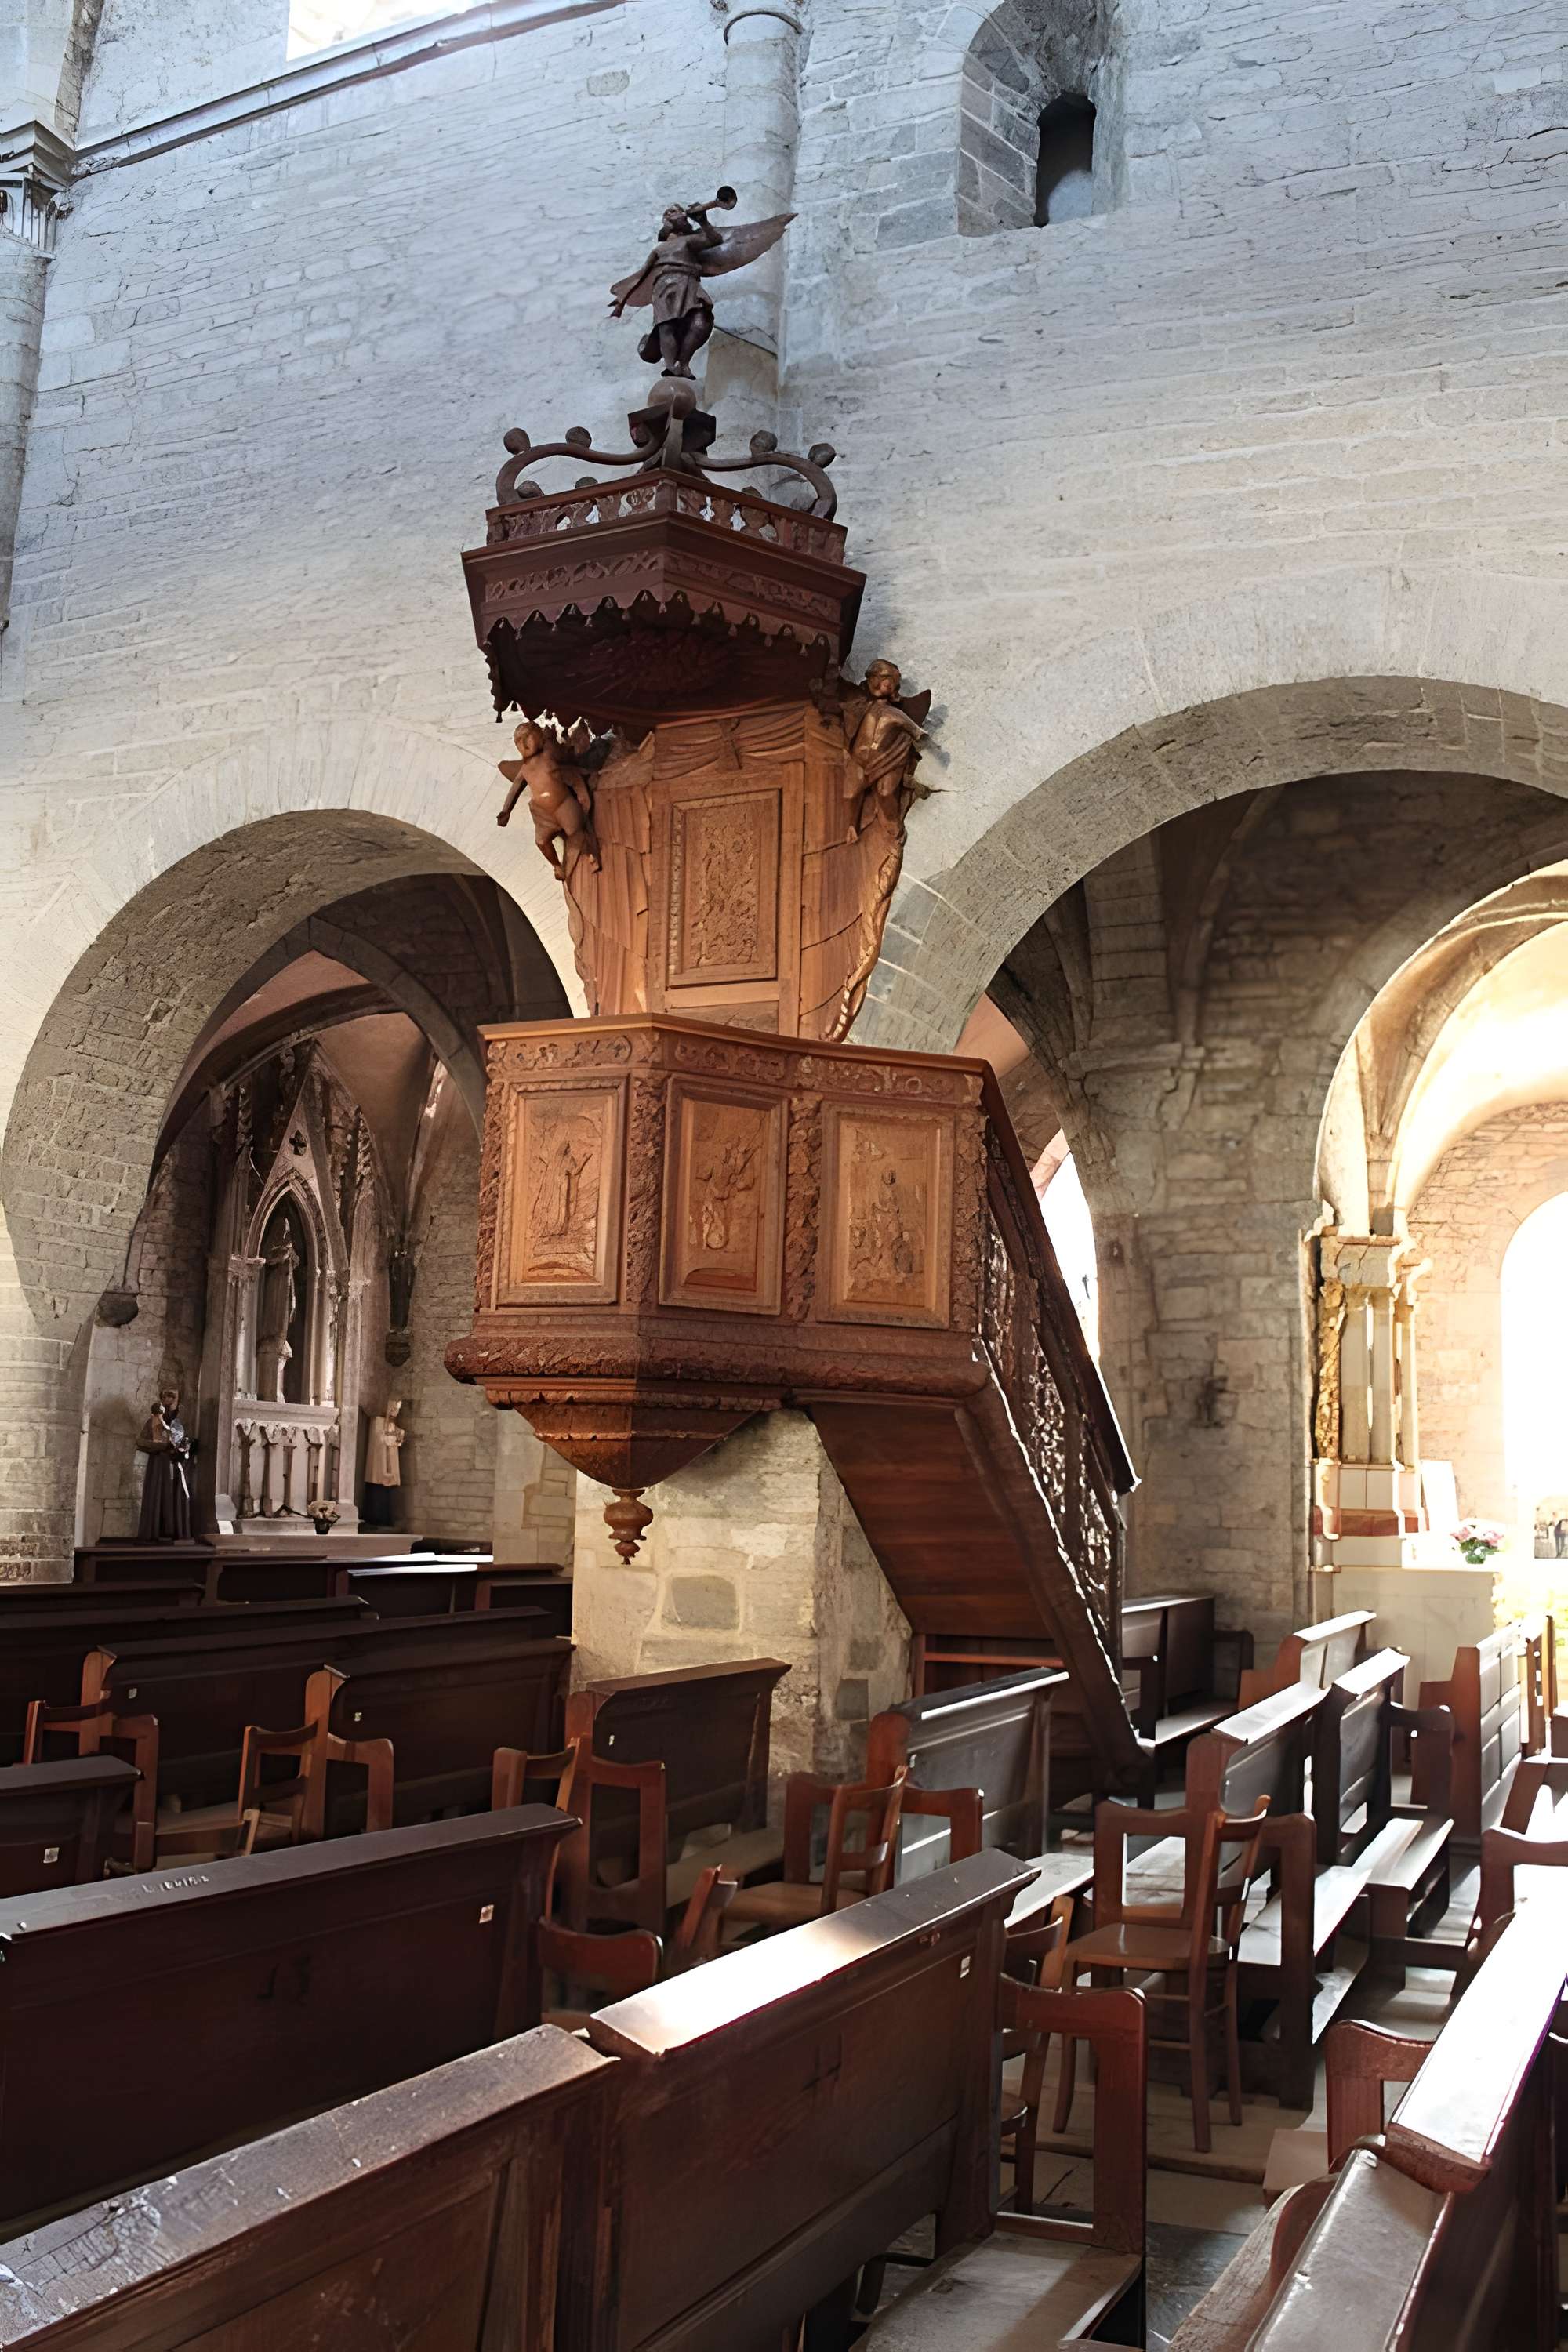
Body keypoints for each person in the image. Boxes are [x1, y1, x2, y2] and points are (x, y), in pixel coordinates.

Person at [136, 1384, 194, 1542]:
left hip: (177, 1465)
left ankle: (175, 1531)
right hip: (158, 1464)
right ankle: (155, 1532)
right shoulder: (153, 1422)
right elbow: (140, 1441)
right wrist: (161, 1446)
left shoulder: (182, 1421)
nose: (166, 1400)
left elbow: (190, 1442)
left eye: (171, 1396)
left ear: (178, 1400)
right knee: (157, 1495)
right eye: (164, 1397)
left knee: (174, 1496)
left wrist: (184, 1447)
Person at [363, 1398, 405, 1530]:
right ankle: (376, 1519)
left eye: (396, 1410)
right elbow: (384, 1441)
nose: (395, 1413)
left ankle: (385, 1519)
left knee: (386, 1493)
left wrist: (400, 1435)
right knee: (378, 1490)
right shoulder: (378, 1422)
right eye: (393, 1409)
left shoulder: (390, 1423)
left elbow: (396, 1441)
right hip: (380, 1464)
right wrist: (394, 1437)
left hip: (388, 1463)